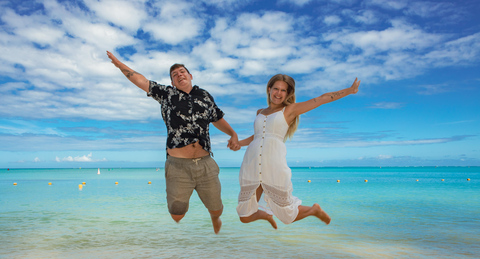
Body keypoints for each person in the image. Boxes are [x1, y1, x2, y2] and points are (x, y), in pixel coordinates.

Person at [106, 51, 240, 234]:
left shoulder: (205, 96)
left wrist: (232, 133)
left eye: (182, 71)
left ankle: (215, 219)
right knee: (177, 213)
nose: (179, 75)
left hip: (206, 163)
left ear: (190, 75)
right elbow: (141, 80)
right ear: (172, 82)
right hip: (178, 166)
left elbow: (216, 118)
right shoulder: (166, 94)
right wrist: (118, 64)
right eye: (174, 75)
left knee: (216, 208)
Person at [236, 74, 360, 229]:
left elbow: (322, 98)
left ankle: (313, 210)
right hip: (252, 163)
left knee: (287, 216)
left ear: (288, 94)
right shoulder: (259, 112)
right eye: (276, 89)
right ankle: (266, 214)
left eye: (283, 90)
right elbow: (259, 135)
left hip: (273, 164)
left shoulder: (290, 110)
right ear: (269, 89)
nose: (278, 93)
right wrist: (239, 143)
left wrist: (350, 90)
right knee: (244, 216)